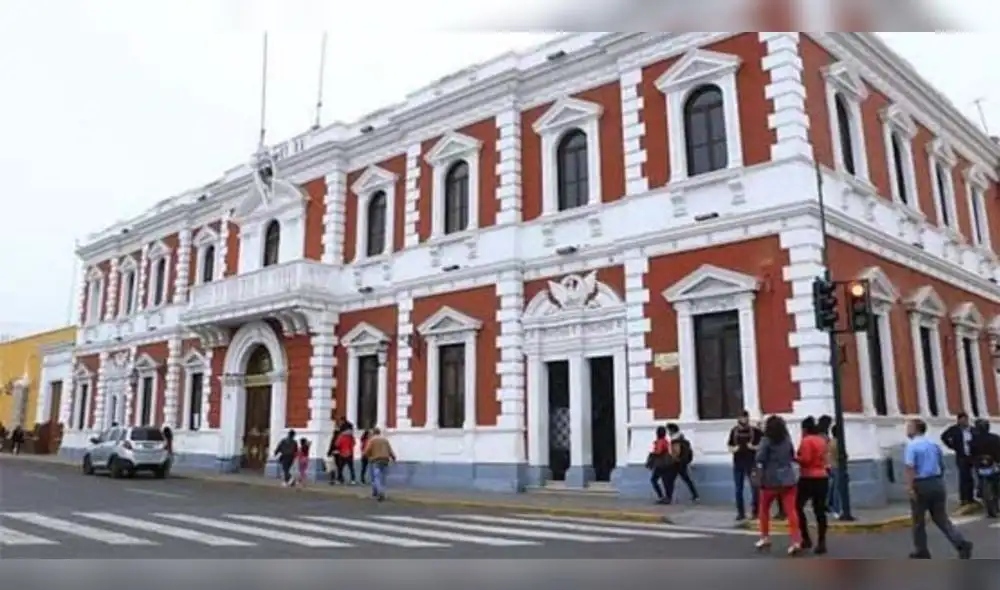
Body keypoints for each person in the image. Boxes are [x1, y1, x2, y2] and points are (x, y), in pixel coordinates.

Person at [904, 418, 973, 559]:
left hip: (921, 483)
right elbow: (941, 465)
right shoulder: (933, 445)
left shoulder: (912, 446)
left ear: (916, 429)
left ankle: (921, 550)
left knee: (918, 520)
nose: (907, 430)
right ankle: (960, 542)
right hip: (937, 482)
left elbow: (910, 468)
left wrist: (910, 488)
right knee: (941, 517)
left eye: (909, 427)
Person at [754, 415, 802, 556]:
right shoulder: (787, 440)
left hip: (770, 480)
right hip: (788, 479)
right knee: (791, 511)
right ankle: (796, 541)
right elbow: (792, 455)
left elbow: (760, 458)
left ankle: (765, 537)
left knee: (764, 509)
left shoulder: (766, 441)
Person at [795, 416, 829, 554]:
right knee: (820, 511)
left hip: (808, 477)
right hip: (822, 476)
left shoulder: (806, 441)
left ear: (805, 428)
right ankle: (822, 541)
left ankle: (806, 538)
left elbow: (806, 460)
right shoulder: (822, 440)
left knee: (797, 506)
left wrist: (795, 458)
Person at [727, 411, 762, 521]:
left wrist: (754, 447)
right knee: (738, 489)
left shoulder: (755, 431)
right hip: (738, 462)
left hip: (752, 462)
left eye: (745, 417)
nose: (743, 420)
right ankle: (740, 512)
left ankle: (756, 511)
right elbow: (729, 445)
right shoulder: (734, 431)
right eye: (741, 417)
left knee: (755, 488)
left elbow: (763, 444)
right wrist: (733, 449)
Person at [940, 413, 976, 506]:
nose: (964, 422)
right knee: (964, 477)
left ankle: (971, 497)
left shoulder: (972, 430)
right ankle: (964, 498)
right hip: (961, 456)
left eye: (966, 419)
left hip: (972, 455)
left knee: (971, 478)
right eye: (962, 420)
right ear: (959, 420)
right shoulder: (954, 429)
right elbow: (944, 437)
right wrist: (952, 446)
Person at [969, 419, 1000, 518]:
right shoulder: (995, 438)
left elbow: (971, 454)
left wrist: (973, 461)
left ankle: (981, 492)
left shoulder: (973, 441)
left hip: (981, 465)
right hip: (993, 464)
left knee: (980, 479)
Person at [665, 423, 699, 503]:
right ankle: (695, 495)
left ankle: (668, 498)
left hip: (676, 463)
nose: (668, 432)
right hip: (682, 463)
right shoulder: (682, 437)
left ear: (672, 430)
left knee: (669, 480)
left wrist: (672, 458)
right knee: (686, 479)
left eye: (669, 430)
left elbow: (677, 452)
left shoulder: (675, 439)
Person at [362, 427, 396, 501]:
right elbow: (389, 450)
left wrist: (366, 456)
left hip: (376, 460)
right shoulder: (385, 440)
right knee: (382, 477)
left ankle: (379, 492)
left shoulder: (372, 440)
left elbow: (367, 450)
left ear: (373, 433)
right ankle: (378, 492)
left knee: (376, 477)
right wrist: (393, 457)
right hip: (385, 460)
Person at [646, 425, 674, 504]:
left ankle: (662, 496)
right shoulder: (666, 441)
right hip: (667, 463)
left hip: (660, 464)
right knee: (666, 481)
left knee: (654, 480)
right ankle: (667, 497)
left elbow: (658, 451)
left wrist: (652, 455)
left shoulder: (660, 441)